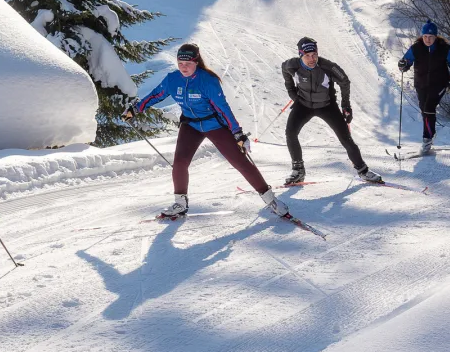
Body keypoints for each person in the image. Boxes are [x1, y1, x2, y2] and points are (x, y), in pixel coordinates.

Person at [126, 43, 290, 219]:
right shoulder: (172, 79)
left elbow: (223, 108)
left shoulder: (207, 80)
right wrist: (135, 109)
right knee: (180, 163)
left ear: (196, 61)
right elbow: (156, 95)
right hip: (190, 125)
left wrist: (237, 133)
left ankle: (270, 199)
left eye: (188, 63)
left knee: (240, 162)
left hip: (214, 125)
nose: (184, 67)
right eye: (180, 63)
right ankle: (180, 204)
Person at [280, 37, 383, 185]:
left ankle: (363, 171)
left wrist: (346, 106)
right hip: (303, 105)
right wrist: (292, 93)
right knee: (290, 133)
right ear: (300, 55)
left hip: (327, 106)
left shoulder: (327, 66)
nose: (312, 59)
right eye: (307, 56)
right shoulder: (292, 65)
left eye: (314, 54)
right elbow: (284, 69)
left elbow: (345, 81)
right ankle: (298, 171)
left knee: (346, 139)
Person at [396, 20, 450, 154]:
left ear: (435, 37)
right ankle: (431, 133)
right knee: (424, 111)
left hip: (439, 83)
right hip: (421, 84)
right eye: (425, 36)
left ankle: (426, 140)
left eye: (431, 37)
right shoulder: (416, 48)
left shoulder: (444, 48)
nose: (428, 39)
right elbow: (407, 61)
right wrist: (403, 65)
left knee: (429, 108)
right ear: (422, 36)